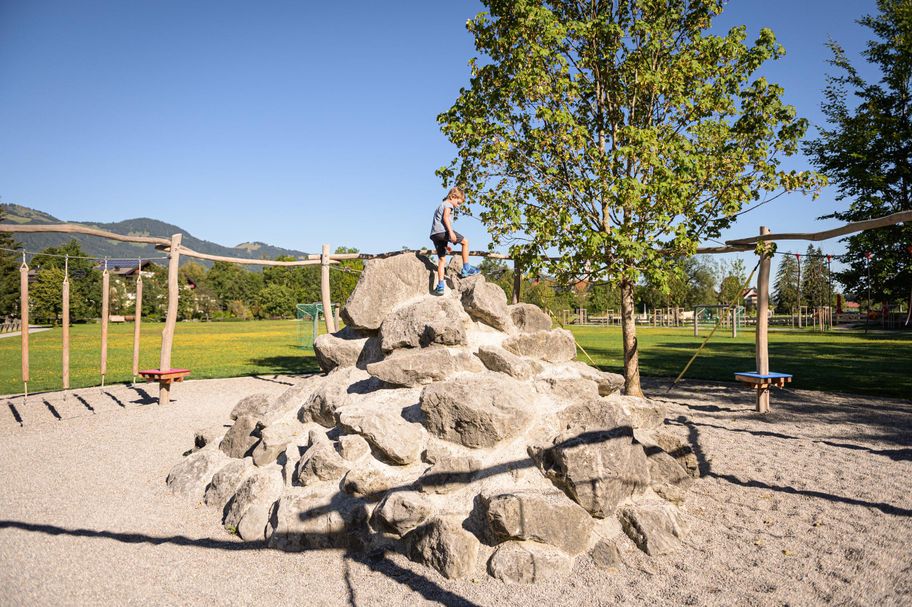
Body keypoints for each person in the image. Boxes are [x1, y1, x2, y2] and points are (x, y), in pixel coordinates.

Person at [430, 186, 479, 295]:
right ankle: (466, 268)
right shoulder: (448, 204)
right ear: (453, 197)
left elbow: (438, 223)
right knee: (465, 242)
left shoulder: (440, 205)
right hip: (443, 231)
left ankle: (440, 285)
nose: (458, 206)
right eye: (458, 202)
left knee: (442, 260)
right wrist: (451, 233)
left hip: (435, 234)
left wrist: (445, 243)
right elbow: (446, 218)